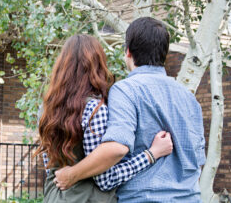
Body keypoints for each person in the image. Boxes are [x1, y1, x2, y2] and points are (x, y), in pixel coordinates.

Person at [54, 17, 206, 202]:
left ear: (128, 52)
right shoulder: (190, 98)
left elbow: (117, 148)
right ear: (164, 54)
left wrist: (72, 175)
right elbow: (197, 162)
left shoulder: (125, 90)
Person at [36, 34, 173, 203]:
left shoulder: (45, 109)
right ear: (97, 65)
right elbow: (105, 180)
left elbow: (51, 168)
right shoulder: (94, 109)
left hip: (53, 197)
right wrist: (152, 154)